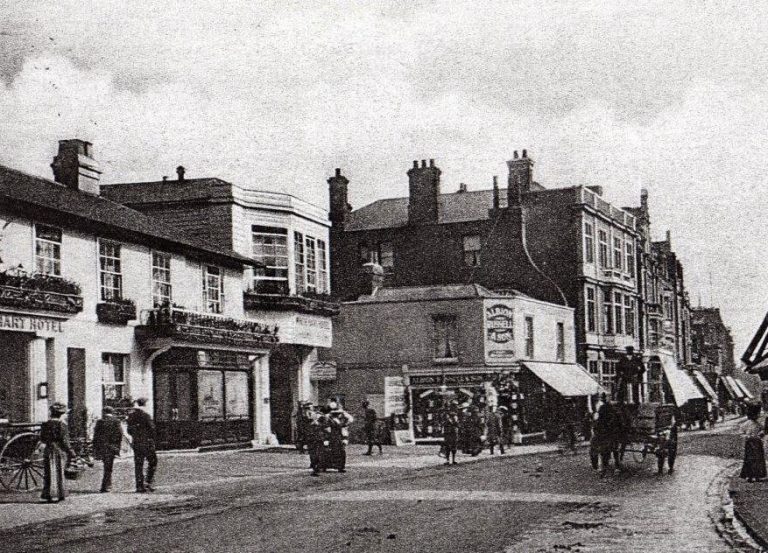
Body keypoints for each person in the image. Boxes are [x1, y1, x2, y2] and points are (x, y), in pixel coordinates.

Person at [40, 402, 76, 503]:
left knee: (48, 472)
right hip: (59, 450)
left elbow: (42, 438)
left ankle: (49, 495)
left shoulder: (45, 424)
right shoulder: (62, 425)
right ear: (60, 414)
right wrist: (71, 451)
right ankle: (60, 494)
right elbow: (65, 441)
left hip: (48, 449)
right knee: (59, 471)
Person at [126, 398, 158, 492]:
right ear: (144, 405)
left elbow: (129, 430)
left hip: (137, 443)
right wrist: (152, 439)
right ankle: (148, 482)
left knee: (138, 464)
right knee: (153, 461)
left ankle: (139, 486)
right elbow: (152, 429)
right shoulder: (146, 415)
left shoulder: (131, 416)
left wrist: (136, 436)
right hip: (147, 443)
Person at [92, 406, 125, 493]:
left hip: (102, 447)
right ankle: (107, 485)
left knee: (106, 466)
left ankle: (105, 485)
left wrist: (95, 448)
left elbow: (95, 436)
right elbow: (120, 435)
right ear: (112, 412)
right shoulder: (116, 421)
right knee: (109, 467)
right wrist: (118, 447)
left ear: (104, 412)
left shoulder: (100, 422)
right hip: (111, 447)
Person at [739, 403, 766, 483]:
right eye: (756, 415)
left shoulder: (758, 424)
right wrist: (747, 436)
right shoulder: (746, 424)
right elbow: (741, 432)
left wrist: (761, 434)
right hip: (750, 443)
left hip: (757, 443)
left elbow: (763, 430)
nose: (757, 417)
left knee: (758, 459)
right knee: (750, 459)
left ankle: (758, 475)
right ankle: (750, 476)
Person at [324, 401, 354, 473]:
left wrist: (345, 438)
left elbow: (350, 420)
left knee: (341, 451)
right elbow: (327, 429)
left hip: (338, 436)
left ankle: (340, 466)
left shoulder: (340, 420)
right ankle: (329, 465)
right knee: (330, 451)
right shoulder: (328, 418)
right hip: (332, 436)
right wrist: (326, 439)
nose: (337, 414)